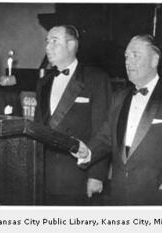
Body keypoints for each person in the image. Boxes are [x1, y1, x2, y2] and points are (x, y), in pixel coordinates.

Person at [74, 34, 162, 205]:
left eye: (135, 55)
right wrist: (87, 152)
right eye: (126, 56)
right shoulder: (119, 97)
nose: (128, 61)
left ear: (155, 60)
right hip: (119, 196)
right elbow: (106, 137)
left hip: (159, 198)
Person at [35, 25, 112, 205]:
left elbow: (103, 129)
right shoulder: (43, 82)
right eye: (47, 42)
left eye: (54, 41)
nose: (47, 47)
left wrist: (97, 175)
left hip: (78, 174)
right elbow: (38, 127)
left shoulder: (96, 79)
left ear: (71, 45)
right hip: (43, 173)